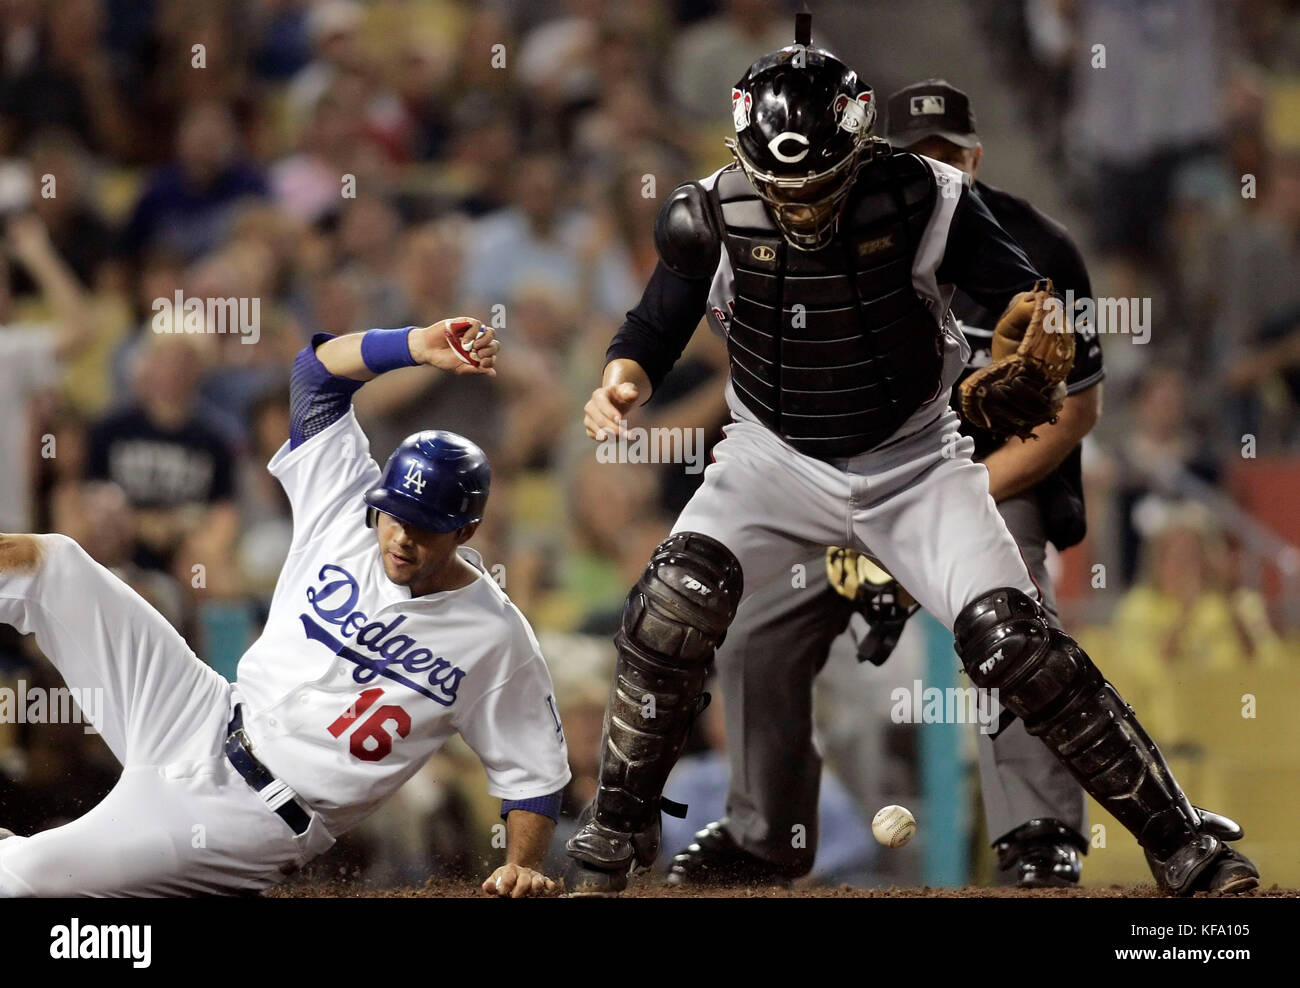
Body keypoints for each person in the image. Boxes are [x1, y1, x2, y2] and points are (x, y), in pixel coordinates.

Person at [564, 15, 1258, 898]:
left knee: (1016, 643)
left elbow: (1026, 301)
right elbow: (653, 327)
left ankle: (1182, 842)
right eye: (781, 185)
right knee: (673, 604)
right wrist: (619, 381)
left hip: (916, 461)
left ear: (858, 150)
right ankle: (613, 834)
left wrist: (1023, 350)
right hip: (771, 459)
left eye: (817, 181)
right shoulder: (707, 213)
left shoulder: (928, 196)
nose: (801, 203)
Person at [666, 79, 1105, 889]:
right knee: (756, 624)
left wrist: (937, 511)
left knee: (1016, 625)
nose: (938, 171)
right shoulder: (824, 235)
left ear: (976, 157)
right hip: (838, 474)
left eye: (950, 155)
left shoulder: (1040, 251)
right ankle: (767, 832)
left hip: (988, 473)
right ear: (877, 161)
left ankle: (1037, 831)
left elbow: (1074, 416)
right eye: (919, 156)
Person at [0, 317, 572, 898]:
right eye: (395, 514)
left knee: (21, 878)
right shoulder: (348, 507)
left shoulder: (496, 636)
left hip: (250, 819)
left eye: (425, 527)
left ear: (467, 532)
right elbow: (317, 375)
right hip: (202, 710)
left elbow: (534, 776)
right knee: (51, 562)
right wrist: (415, 346)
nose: (401, 537)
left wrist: (522, 862)